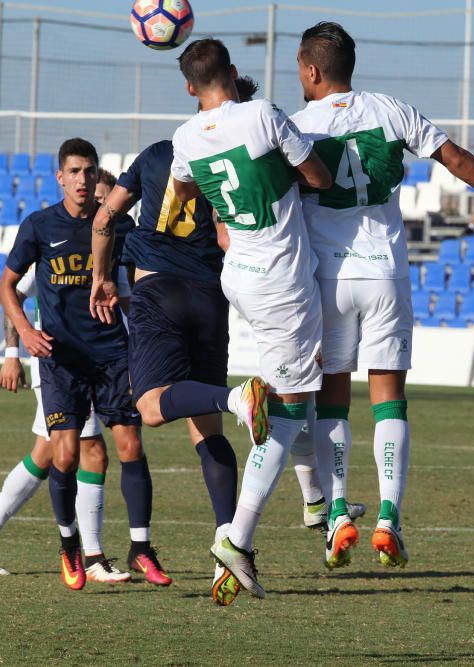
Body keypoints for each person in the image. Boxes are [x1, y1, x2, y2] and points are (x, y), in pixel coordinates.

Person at [290, 21, 474, 567]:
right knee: (389, 397)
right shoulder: (390, 109)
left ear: (311, 70)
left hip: (328, 280)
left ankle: (335, 514)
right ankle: (387, 517)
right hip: (385, 275)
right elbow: (453, 158)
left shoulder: (296, 125)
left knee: (332, 397)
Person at [89, 75, 276, 605]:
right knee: (205, 432)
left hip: (158, 290)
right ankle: (231, 543)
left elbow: (106, 217)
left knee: (149, 408)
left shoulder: (160, 153)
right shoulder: (244, 158)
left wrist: (102, 276)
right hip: (211, 295)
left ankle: (237, 396)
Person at [166, 37, 332, 599]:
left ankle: (317, 503)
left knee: (298, 393)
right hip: (281, 280)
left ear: (191, 87)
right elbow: (318, 178)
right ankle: (234, 540)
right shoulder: (262, 113)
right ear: (233, 74)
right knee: (285, 414)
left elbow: (185, 190)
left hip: (238, 274)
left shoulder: (186, 137)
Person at [0, 163, 138, 584]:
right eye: (99, 201)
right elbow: (13, 293)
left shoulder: (108, 242)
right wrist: (11, 352)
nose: (100, 209)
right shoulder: (54, 232)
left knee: (49, 453)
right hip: (58, 361)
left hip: (92, 359)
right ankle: (91, 557)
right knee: (89, 451)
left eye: (106, 204)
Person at [0, 137, 150, 591]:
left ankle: (137, 546)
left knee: (127, 447)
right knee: (63, 455)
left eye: (90, 170)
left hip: (110, 356)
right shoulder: (40, 226)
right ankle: (70, 546)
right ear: (60, 177)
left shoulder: (117, 229)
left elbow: (130, 293)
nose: (83, 179)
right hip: (60, 360)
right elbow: (8, 286)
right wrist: (23, 335)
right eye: (75, 171)